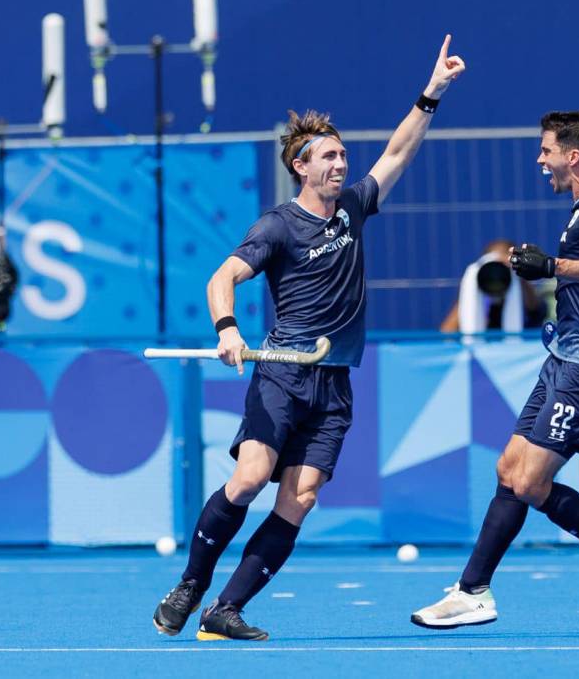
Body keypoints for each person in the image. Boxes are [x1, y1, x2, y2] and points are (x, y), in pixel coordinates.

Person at [152, 35, 466, 641]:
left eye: (344, 155)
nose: (341, 164)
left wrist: (432, 94)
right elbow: (223, 278)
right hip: (282, 373)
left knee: (299, 499)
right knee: (248, 480)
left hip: (335, 381)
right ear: (301, 166)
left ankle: (226, 609)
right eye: (329, 157)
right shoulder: (277, 225)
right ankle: (191, 583)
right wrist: (227, 330)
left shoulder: (352, 208)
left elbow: (398, 153)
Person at [412, 111, 579, 628]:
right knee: (510, 471)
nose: (539, 160)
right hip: (564, 360)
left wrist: (551, 267)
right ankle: (474, 589)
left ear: (573, 155)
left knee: (526, 481)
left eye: (546, 151)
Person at [439, 238, 547, 333]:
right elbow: (446, 334)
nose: (496, 275)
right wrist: (468, 293)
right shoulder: (474, 297)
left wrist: (519, 274)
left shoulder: (523, 294)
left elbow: (535, 309)